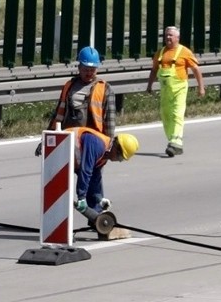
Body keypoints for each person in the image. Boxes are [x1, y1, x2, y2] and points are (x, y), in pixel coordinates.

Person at [35, 46, 116, 156]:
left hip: (93, 142)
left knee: (89, 173)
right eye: (85, 70)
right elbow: (58, 116)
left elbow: (110, 121)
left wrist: (109, 146)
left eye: (92, 70)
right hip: (68, 140)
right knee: (65, 172)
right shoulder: (69, 86)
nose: (89, 73)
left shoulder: (105, 89)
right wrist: (45, 141)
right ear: (79, 67)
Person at [145, 25, 205, 157]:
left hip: (179, 88)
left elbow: (196, 70)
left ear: (177, 38)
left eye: (170, 35)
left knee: (177, 114)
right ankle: (174, 141)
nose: (167, 37)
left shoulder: (185, 52)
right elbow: (154, 70)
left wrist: (201, 87)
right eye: (166, 35)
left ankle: (175, 142)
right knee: (166, 115)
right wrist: (149, 85)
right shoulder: (160, 53)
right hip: (165, 90)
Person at [73, 128, 139, 213]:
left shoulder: (103, 157)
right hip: (57, 149)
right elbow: (86, 171)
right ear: (116, 147)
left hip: (66, 161)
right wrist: (81, 197)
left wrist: (99, 199)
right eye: (120, 157)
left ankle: (96, 216)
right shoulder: (97, 144)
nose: (118, 161)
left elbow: (94, 179)